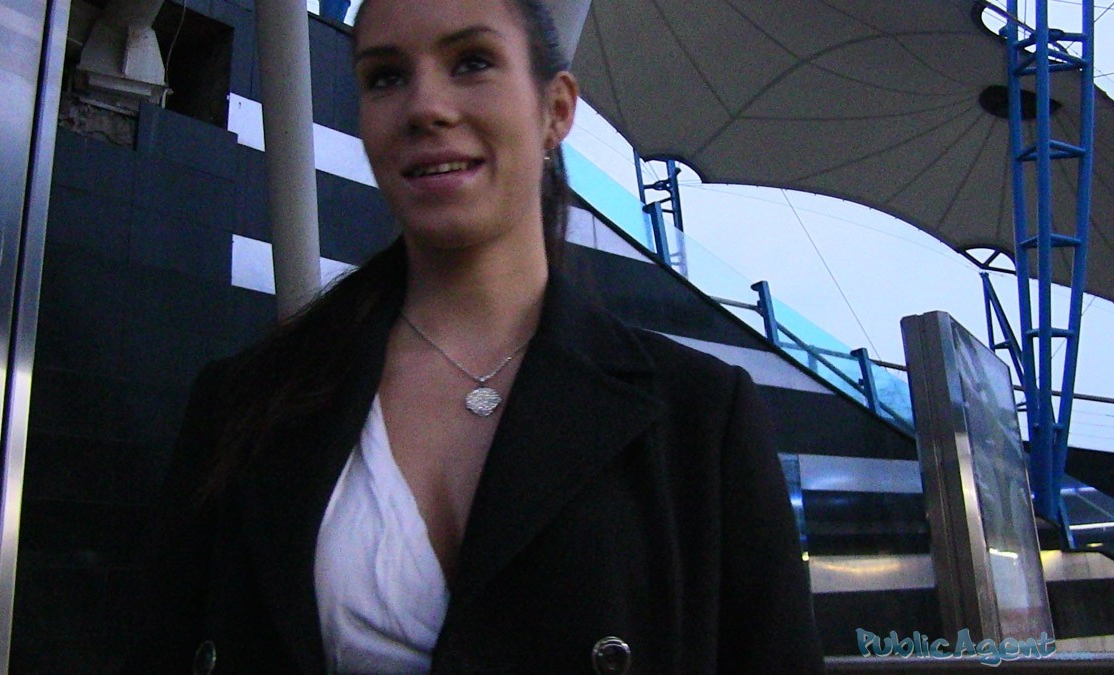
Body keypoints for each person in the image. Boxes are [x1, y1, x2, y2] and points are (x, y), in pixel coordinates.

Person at [127, 0, 824, 672]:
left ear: (556, 110)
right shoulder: (244, 405)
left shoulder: (701, 417)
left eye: (471, 62)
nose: (425, 106)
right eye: (385, 76)